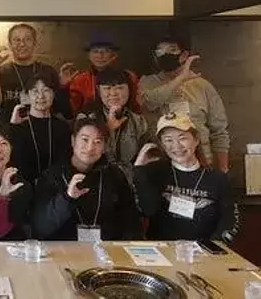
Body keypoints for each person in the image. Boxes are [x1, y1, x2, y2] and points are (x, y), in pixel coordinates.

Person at [133, 113, 238, 242]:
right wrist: (139, 168)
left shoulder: (217, 179)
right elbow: (147, 210)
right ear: (162, 145)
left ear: (196, 140)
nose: (176, 146)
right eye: (168, 140)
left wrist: (211, 247)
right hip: (162, 249)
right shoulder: (154, 173)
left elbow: (230, 220)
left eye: (182, 138)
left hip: (203, 250)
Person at [32, 117, 141, 241]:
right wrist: (67, 198)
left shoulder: (114, 176)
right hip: (63, 248)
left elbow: (131, 222)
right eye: (85, 139)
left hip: (105, 248)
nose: (90, 147)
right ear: (73, 141)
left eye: (97, 142)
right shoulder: (51, 176)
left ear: (104, 147)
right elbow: (40, 228)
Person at [139, 36, 231, 172]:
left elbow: (219, 130)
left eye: (171, 50)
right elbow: (150, 102)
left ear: (184, 55)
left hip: (202, 161)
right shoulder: (148, 82)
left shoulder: (203, 86)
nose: (165, 54)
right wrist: (180, 79)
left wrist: (223, 169)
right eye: (160, 51)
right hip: (163, 161)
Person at [0, 23, 73, 118]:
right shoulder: (1, 72)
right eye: (17, 40)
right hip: (9, 125)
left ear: (35, 43)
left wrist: (63, 86)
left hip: (40, 125)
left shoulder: (48, 71)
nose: (22, 44)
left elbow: (62, 110)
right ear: (10, 45)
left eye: (27, 39)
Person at [82, 68, 150, 180]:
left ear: (129, 90)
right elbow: (84, 156)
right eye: (107, 88)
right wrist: (107, 129)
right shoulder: (86, 117)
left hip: (129, 179)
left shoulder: (138, 120)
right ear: (98, 91)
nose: (113, 93)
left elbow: (145, 154)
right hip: (96, 178)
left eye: (120, 88)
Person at [9, 71, 72, 184]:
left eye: (46, 90)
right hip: (23, 187)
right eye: (35, 91)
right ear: (27, 95)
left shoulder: (62, 127)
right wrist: (12, 127)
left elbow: (66, 162)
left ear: (53, 94)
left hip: (56, 187)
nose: (41, 96)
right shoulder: (17, 126)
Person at [67, 35, 141, 114]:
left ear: (114, 55)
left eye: (106, 51)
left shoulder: (129, 76)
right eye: (95, 51)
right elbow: (71, 110)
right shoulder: (80, 80)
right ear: (89, 56)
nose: (100, 56)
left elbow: (137, 106)